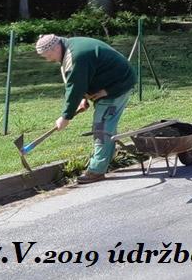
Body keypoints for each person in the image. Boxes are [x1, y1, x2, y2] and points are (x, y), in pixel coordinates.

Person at [36, 34, 136, 184]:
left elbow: (74, 88)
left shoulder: (75, 56)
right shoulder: (69, 47)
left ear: (55, 48)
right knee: (106, 127)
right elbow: (81, 78)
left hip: (118, 85)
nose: (48, 60)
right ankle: (104, 160)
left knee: (101, 128)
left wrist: (66, 117)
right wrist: (83, 98)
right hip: (110, 82)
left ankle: (97, 170)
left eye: (48, 56)